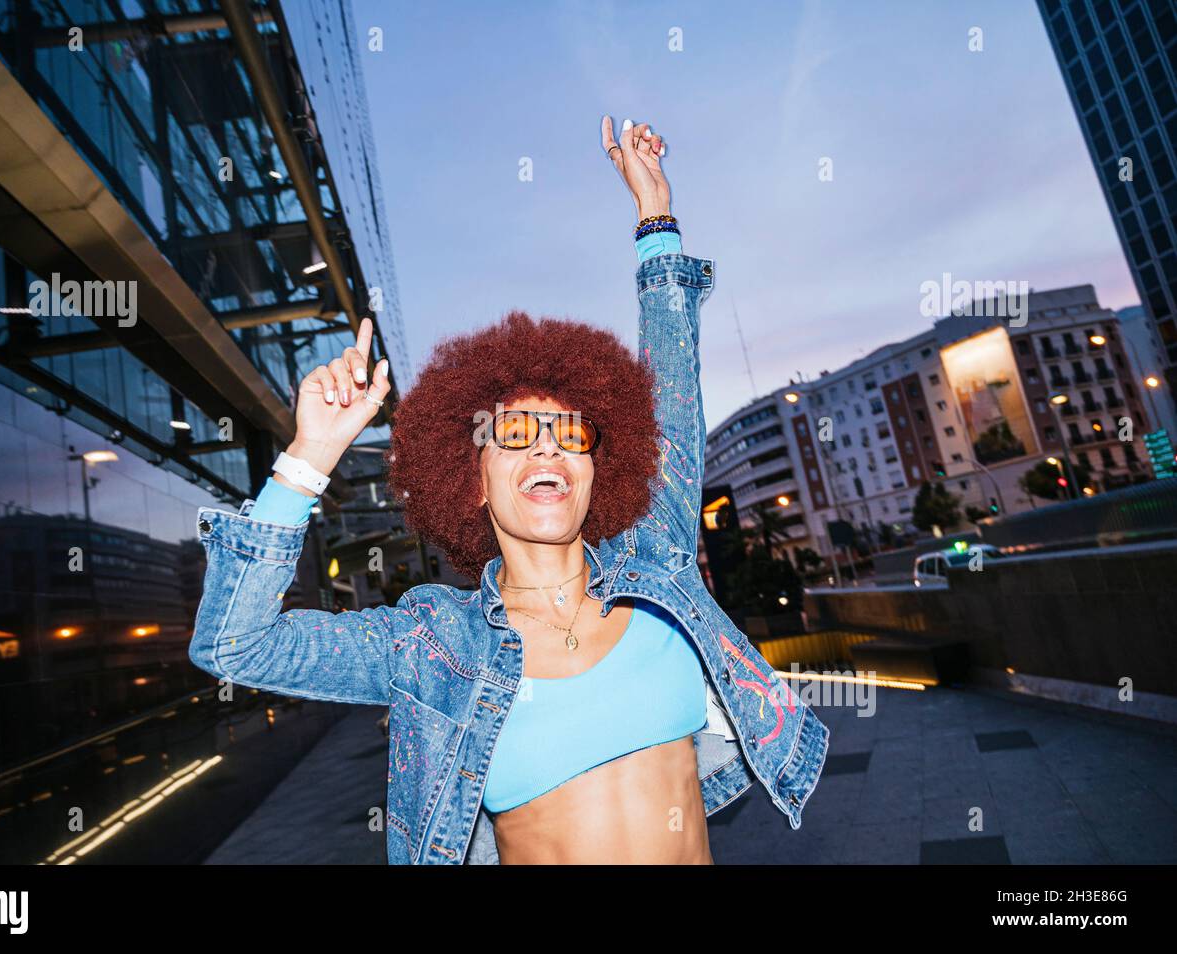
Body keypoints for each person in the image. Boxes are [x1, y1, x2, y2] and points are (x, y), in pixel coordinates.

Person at [189, 115, 830, 865]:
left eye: (570, 433)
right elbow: (235, 645)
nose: (549, 446)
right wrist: (307, 458)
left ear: (599, 467)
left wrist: (656, 220)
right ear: (473, 480)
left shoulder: (658, 566)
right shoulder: (431, 643)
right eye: (517, 436)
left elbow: (674, 398)